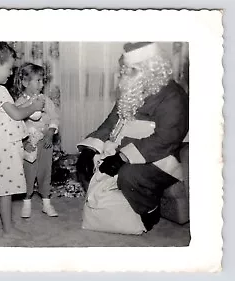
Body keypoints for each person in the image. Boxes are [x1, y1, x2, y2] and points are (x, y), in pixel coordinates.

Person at [77, 42, 189, 232]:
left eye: (130, 69)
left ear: (149, 68)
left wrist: (122, 157)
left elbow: (166, 139)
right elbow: (111, 121)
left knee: (128, 174)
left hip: (163, 157)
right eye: (124, 69)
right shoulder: (132, 88)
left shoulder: (173, 95)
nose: (123, 74)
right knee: (88, 164)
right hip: (126, 147)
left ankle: (150, 210)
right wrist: (90, 148)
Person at [0, 42, 45, 238]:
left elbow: (10, 112)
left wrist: (29, 103)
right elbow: (16, 114)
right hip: (5, 146)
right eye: (9, 68)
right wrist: (34, 108)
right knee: (6, 189)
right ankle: (8, 229)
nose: (11, 73)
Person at [13, 62, 60, 218]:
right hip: (29, 144)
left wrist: (50, 133)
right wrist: (25, 142)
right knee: (28, 172)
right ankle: (27, 201)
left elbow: (54, 118)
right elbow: (16, 124)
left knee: (45, 171)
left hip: (45, 142)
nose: (41, 84)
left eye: (42, 80)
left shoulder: (45, 100)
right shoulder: (19, 103)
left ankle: (46, 202)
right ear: (26, 82)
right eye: (37, 80)